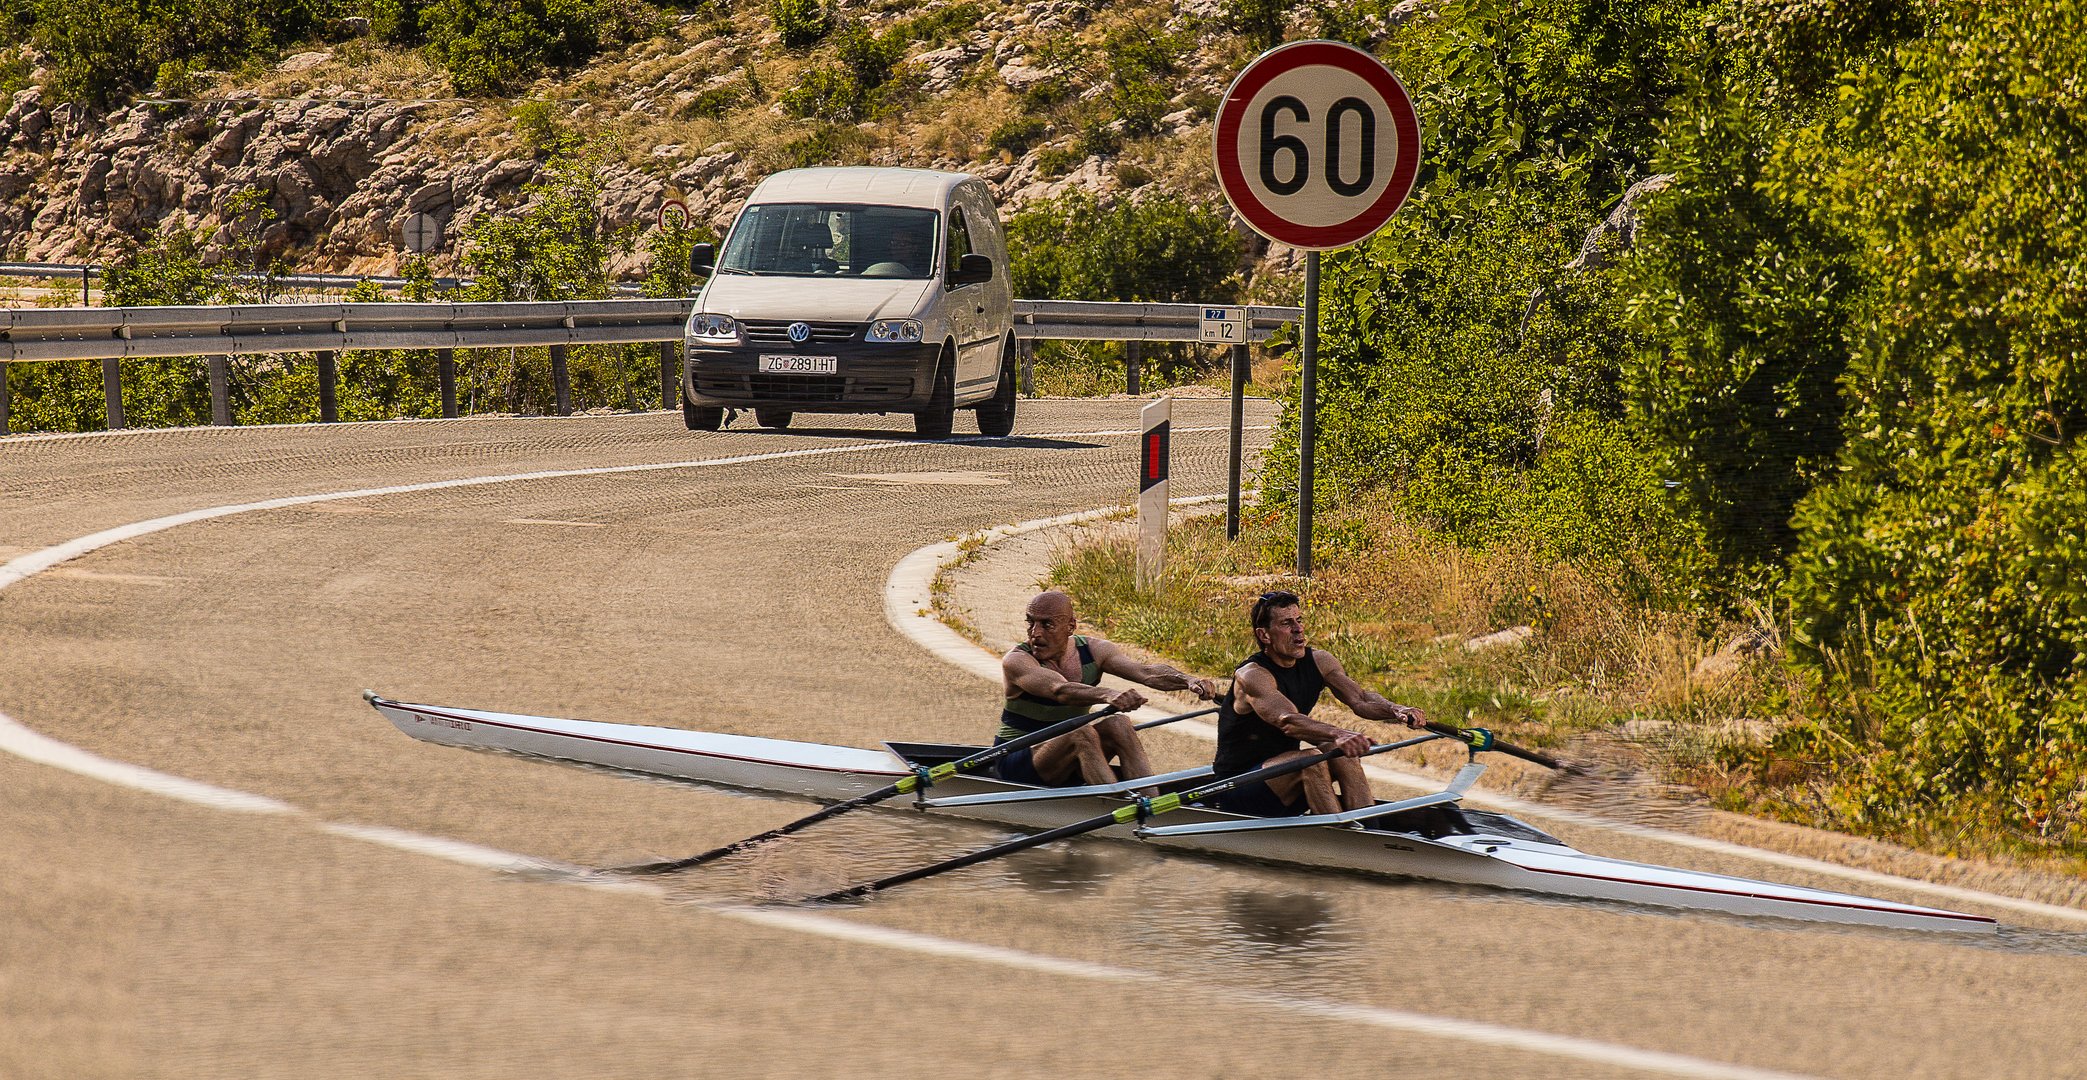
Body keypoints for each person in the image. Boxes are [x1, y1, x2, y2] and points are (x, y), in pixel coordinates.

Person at [1210, 590, 1428, 816]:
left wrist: (1397, 709)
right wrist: (1338, 733)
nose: (1298, 629)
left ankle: (1368, 833)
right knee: (1311, 759)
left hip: (1283, 782)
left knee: (1340, 753)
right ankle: (1338, 839)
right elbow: (1288, 721)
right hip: (1238, 787)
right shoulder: (1252, 675)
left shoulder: (1320, 661)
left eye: (1299, 620)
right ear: (1264, 635)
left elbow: (1361, 700)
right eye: (1287, 623)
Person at [995, 590, 1220, 788]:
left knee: (1119, 724)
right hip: (1016, 758)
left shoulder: (1094, 651)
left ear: (1071, 626)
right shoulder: (1017, 661)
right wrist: (1108, 694)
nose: (1035, 633)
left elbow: (1146, 673)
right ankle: (1118, 807)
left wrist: (1188, 680)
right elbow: (1059, 690)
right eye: (1030, 623)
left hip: (1063, 758)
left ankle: (1148, 801)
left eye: (1047, 624)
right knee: (1082, 734)